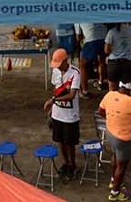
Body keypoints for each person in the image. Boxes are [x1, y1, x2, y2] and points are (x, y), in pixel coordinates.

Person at [100, 80, 131, 201]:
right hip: (123, 137)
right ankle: (115, 192)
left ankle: (113, 180)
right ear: (130, 90)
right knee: (122, 166)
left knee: (115, 155)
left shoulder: (110, 95)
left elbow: (101, 110)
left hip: (110, 133)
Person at [47, 48, 83, 179]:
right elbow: (55, 89)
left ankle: (73, 165)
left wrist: (53, 100)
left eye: (59, 64)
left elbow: (72, 95)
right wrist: (53, 108)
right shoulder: (55, 71)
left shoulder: (75, 73)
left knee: (70, 143)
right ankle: (65, 162)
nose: (58, 67)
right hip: (57, 114)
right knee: (60, 141)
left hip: (70, 116)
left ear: (65, 61)